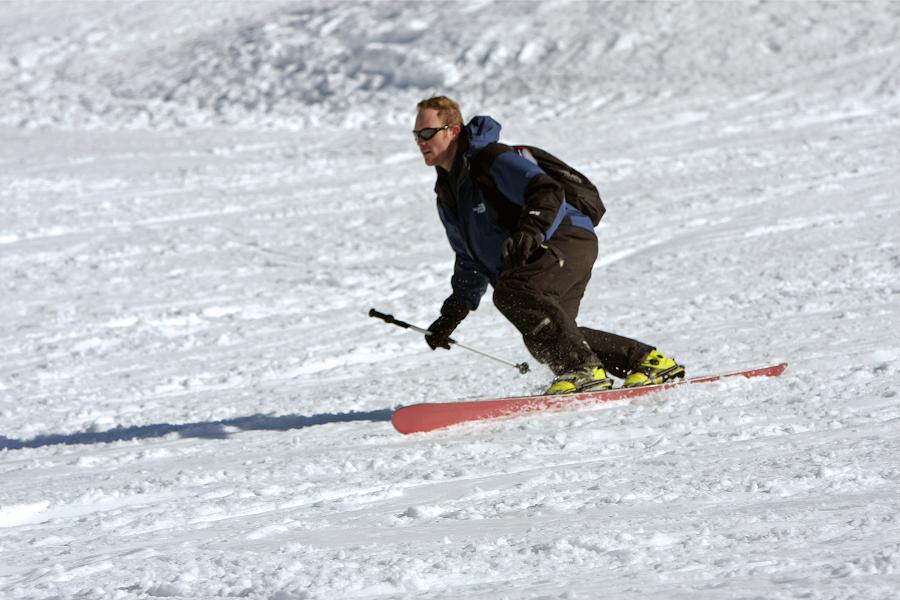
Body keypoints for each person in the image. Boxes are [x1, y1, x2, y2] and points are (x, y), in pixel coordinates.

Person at [414, 95, 684, 394]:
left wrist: (531, 230)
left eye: (427, 133)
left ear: (453, 130)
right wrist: (453, 312)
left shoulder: (489, 159)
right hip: (544, 249)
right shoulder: (448, 194)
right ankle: (649, 362)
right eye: (417, 135)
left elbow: (546, 190)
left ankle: (582, 370)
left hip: (564, 237)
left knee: (514, 294)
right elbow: (469, 257)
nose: (421, 141)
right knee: (549, 339)